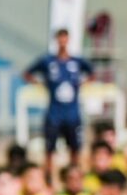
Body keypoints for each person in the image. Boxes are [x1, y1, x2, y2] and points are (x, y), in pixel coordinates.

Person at [24, 29, 93, 177]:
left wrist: (83, 83)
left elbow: (92, 73)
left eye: (65, 38)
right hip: (54, 113)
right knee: (50, 148)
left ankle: (74, 174)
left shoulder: (76, 61)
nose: (62, 42)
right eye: (60, 38)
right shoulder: (48, 61)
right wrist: (39, 83)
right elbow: (27, 73)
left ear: (68, 40)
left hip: (72, 113)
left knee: (75, 147)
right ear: (56, 40)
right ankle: (49, 176)